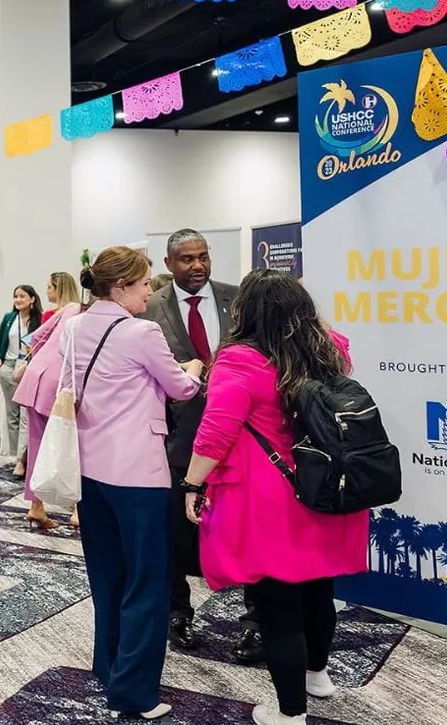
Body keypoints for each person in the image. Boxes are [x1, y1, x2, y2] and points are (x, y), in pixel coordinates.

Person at [181, 270, 367, 725]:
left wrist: (191, 484)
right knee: (319, 590)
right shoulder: (328, 348)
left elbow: (216, 430)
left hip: (269, 496)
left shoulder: (240, 360)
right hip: (324, 486)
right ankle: (317, 677)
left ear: (245, 310)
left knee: (277, 604)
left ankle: (289, 714)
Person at [62, 247, 204, 720]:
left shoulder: (76, 325)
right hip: (138, 475)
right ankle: (135, 691)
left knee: (107, 575)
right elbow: (181, 391)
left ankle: (108, 667)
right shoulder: (142, 332)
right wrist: (194, 370)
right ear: (121, 287)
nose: (151, 290)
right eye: (145, 283)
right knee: (148, 582)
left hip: (90, 468)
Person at [143, 228, 260, 659]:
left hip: (243, 438)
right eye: (187, 259)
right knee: (173, 531)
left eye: (203, 257)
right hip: (179, 439)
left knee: (248, 529)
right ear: (168, 264)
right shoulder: (149, 309)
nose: (197, 266)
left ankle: (256, 620)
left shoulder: (239, 300)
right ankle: (177, 611)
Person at [12, 271, 81, 529]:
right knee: (74, 443)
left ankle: (36, 506)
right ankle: (77, 509)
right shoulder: (84, 312)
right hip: (58, 382)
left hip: (37, 376)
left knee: (37, 443)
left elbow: (37, 337)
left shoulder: (67, 310)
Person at [0, 285, 43, 458]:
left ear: (32, 299)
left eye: (22, 296)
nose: (18, 300)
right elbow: (0, 342)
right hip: (8, 366)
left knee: (26, 414)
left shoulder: (39, 319)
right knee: (12, 412)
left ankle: (26, 455)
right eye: (15, 296)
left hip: (28, 366)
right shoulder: (9, 318)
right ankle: (15, 456)